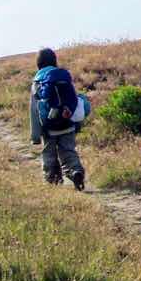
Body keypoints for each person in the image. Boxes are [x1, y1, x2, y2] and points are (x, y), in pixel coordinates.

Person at [29, 47, 86, 190]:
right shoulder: (63, 76)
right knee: (68, 151)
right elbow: (74, 100)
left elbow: (34, 111)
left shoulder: (37, 82)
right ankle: (75, 172)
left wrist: (35, 136)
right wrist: (77, 123)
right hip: (68, 122)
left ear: (38, 64)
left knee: (49, 154)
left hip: (49, 126)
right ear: (55, 61)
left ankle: (53, 180)